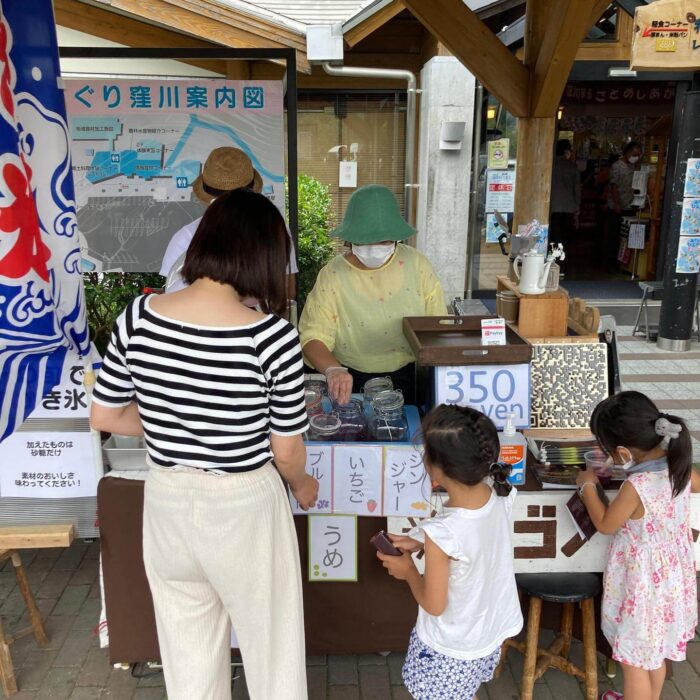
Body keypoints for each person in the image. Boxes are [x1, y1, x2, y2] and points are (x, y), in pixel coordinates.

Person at [91, 189, 318, 700]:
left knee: (188, 661)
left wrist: (172, 425)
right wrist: (303, 484)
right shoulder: (271, 338)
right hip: (245, 505)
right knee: (273, 656)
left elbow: (103, 414)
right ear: (264, 256)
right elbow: (286, 452)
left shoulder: (139, 316)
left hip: (168, 502)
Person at [378, 405, 524, 700]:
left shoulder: (442, 535)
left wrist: (407, 571)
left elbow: (434, 605)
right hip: (486, 633)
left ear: (436, 470)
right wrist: (418, 540)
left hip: (449, 648)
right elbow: (470, 533)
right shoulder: (499, 492)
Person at [576, 391, 699, 700]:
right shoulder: (679, 466)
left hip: (642, 590)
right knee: (653, 656)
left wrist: (587, 485)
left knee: (633, 665)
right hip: (671, 584)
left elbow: (606, 524)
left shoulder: (636, 487)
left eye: (607, 451)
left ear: (622, 451)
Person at [299, 185, 446, 405]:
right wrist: (333, 370)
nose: (373, 247)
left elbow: (438, 327)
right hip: (348, 380)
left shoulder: (417, 266)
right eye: (364, 241)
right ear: (349, 238)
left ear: (397, 237)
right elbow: (313, 336)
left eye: (384, 241)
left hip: (411, 376)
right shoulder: (333, 274)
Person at [160, 146, 298, 297]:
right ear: (252, 193)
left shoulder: (185, 237)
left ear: (206, 198)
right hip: (261, 318)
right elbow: (286, 293)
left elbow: (173, 297)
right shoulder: (274, 230)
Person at [606, 141, 642, 269]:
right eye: (634, 154)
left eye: (638, 155)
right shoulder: (617, 166)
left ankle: (623, 263)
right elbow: (613, 186)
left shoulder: (633, 167)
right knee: (613, 236)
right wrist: (616, 204)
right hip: (616, 206)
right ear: (627, 152)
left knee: (625, 236)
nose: (636, 157)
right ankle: (611, 264)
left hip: (629, 205)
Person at [549, 139, 581, 255]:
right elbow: (577, 190)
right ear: (566, 151)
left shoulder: (550, 166)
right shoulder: (572, 167)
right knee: (564, 238)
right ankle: (562, 263)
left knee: (554, 237)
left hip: (552, 208)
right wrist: (577, 208)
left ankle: (554, 261)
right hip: (569, 208)